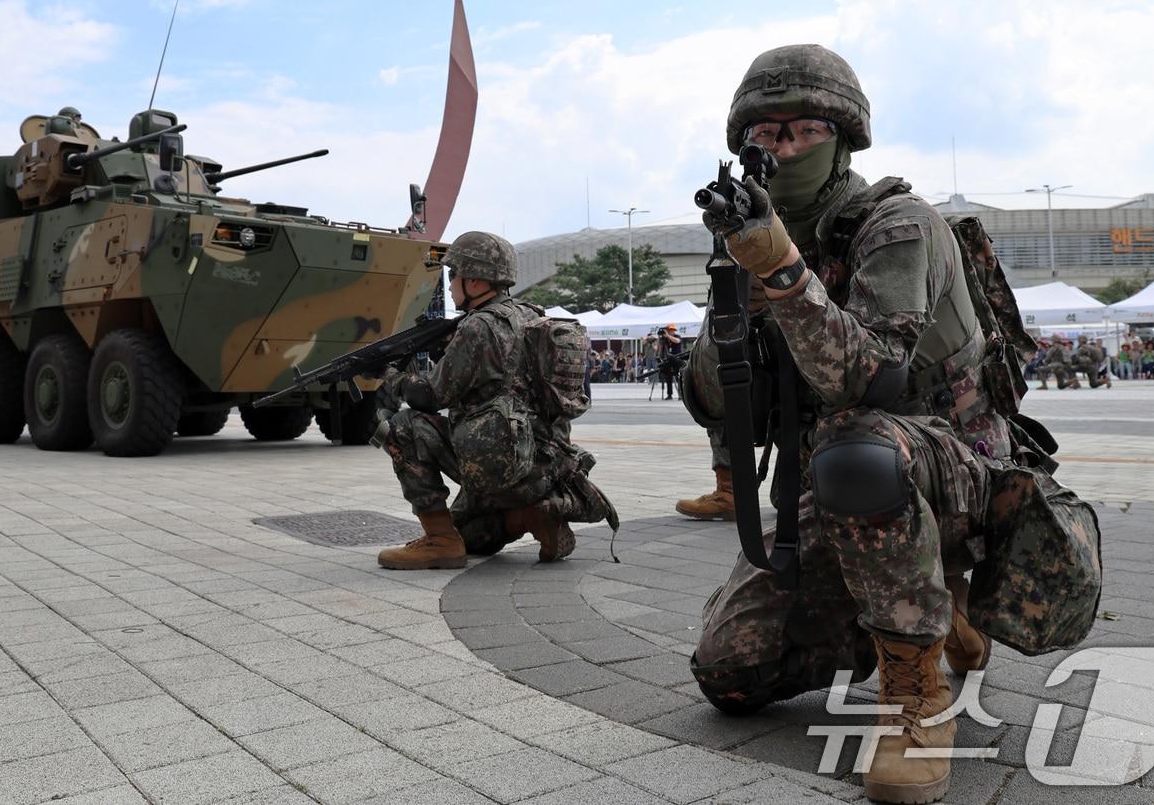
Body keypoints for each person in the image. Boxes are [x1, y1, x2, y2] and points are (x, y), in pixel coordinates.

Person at [679, 45, 1100, 804]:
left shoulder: (897, 225)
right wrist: (733, 294)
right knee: (729, 674)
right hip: (847, 488)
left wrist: (782, 272)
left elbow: (870, 378)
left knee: (857, 450)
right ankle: (931, 607)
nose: (784, 148)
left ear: (843, 136)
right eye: (766, 135)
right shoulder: (754, 242)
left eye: (803, 129)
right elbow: (711, 402)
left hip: (956, 470)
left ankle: (915, 693)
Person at [374, 231, 612, 569]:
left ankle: (440, 542)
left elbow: (429, 396)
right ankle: (534, 515)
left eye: (453, 274)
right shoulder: (532, 315)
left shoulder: (479, 327)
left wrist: (390, 377)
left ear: (474, 281)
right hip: (544, 466)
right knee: (472, 536)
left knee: (402, 427)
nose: (450, 284)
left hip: (503, 465)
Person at [657, 323, 685, 399]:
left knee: (678, 378)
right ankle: (669, 394)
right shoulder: (665, 339)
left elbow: (677, 341)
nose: (670, 331)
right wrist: (660, 339)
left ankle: (681, 395)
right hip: (668, 360)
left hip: (677, 359)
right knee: (668, 377)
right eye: (669, 330)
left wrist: (668, 336)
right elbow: (659, 349)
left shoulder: (677, 336)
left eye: (671, 330)